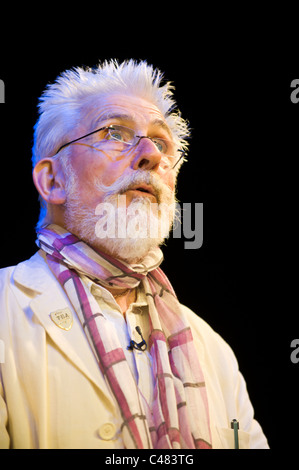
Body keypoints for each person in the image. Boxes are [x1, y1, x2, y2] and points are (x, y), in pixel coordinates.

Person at [0, 59, 269, 449]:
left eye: (161, 143)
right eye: (115, 132)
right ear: (52, 180)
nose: (151, 155)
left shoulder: (212, 349)